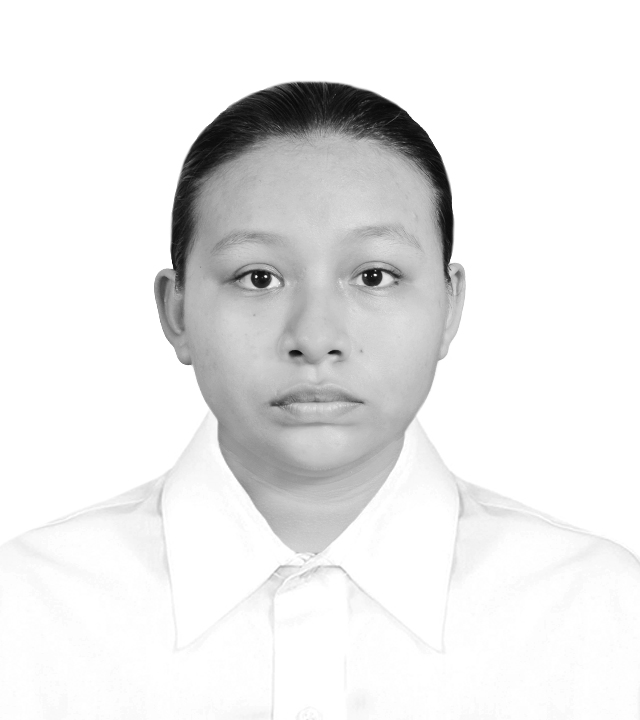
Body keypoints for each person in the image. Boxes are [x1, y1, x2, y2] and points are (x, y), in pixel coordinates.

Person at [0, 82, 638, 719]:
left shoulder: (599, 610)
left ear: (450, 307)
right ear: (176, 310)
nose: (314, 337)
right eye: (258, 278)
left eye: (373, 276)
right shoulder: (27, 608)